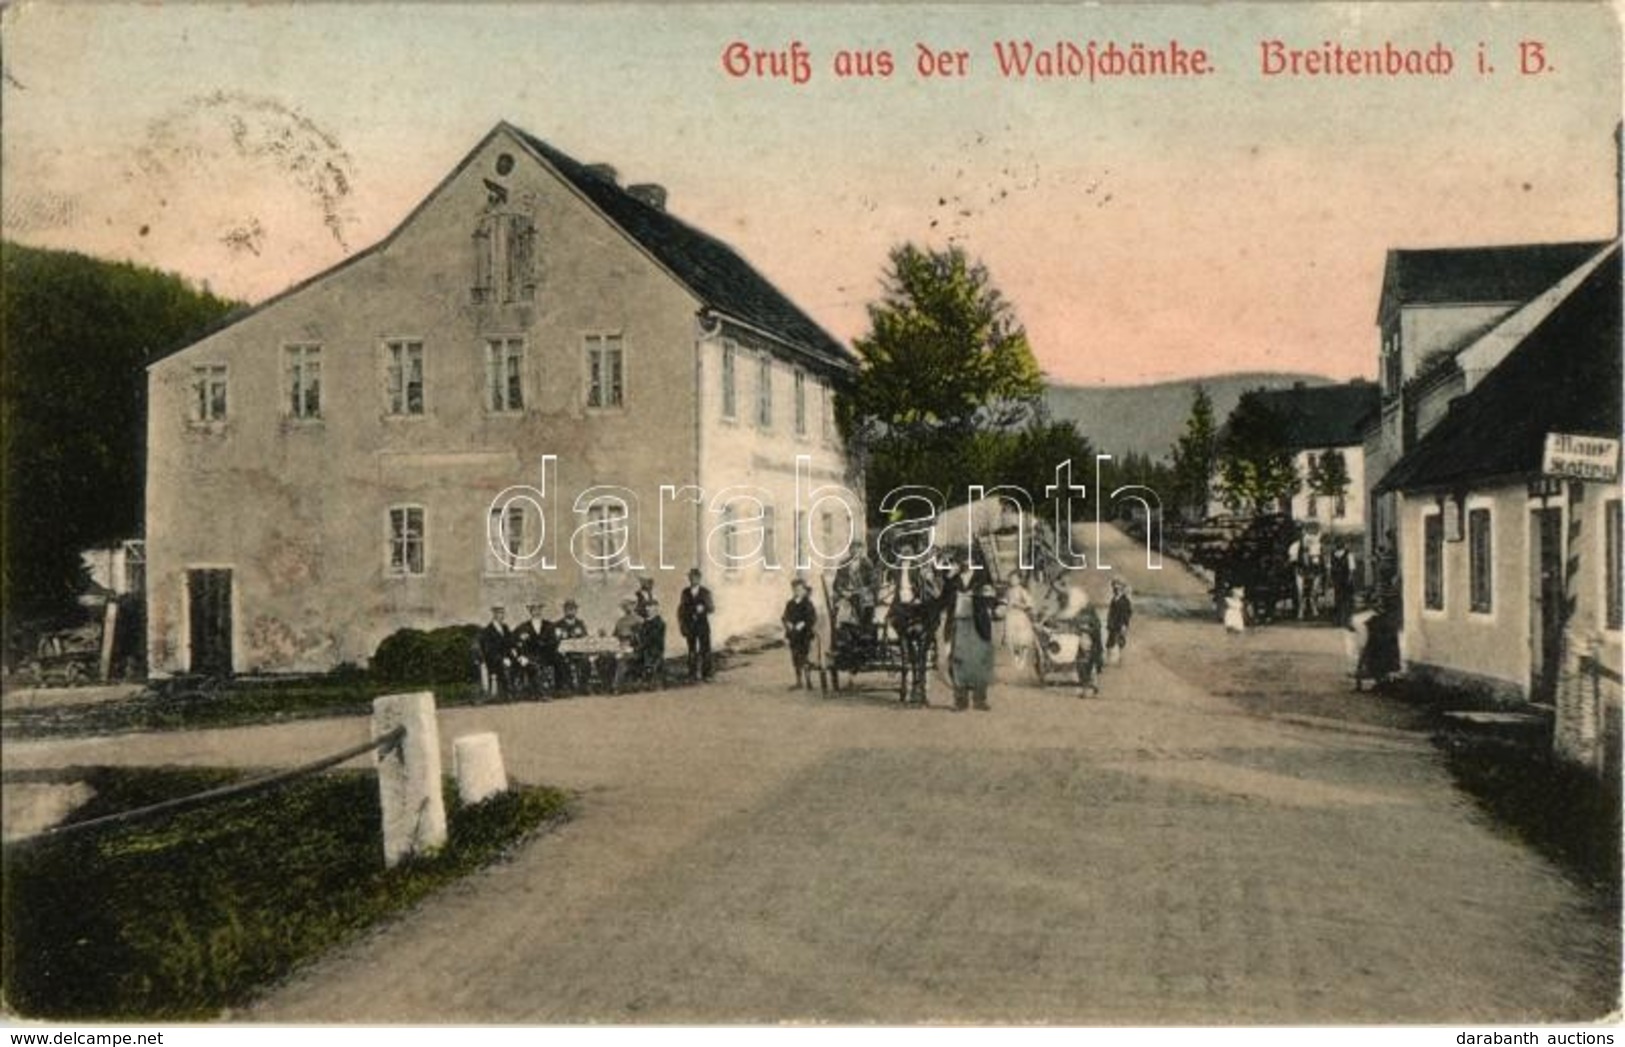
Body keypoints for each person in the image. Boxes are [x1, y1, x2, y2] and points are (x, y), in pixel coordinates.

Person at [942, 552, 999, 711]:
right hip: (959, 623)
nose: (966, 563)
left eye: (969, 559)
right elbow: (944, 599)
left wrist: (977, 597)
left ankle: (980, 700)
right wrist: (948, 578)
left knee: (980, 661)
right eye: (963, 560)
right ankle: (961, 701)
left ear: (974, 561)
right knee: (958, 661)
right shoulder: (953, 579)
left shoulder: (983, 578)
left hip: (978, 624)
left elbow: (991, 599)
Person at [1054, 580, 1104, 697]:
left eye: (1060, 590)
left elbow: (1069, 613)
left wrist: (1056, 618)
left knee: (1088, 661)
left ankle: (1090, 687)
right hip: (1082, 633)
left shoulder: (1075, 596)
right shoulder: (1068, 596)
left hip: (1089, 632)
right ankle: (1085, 686)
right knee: (1081, 662)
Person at [513, 600, 562, 698]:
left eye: (538, 609)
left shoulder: (549, 625)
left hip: (546, 655)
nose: (536, 612)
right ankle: (537, 692)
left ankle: (559, 689)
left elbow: (554, 641)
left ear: (541, 610)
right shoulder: (523, 627)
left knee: (560, 662)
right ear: (530, 611)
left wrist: (550, 648)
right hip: (531, 656)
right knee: (531, 667)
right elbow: (515, 642)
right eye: (534, 609)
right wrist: (520, 656)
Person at [678, 567, 715, 682]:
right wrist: (683, 624)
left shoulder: (705, 592)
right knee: (691, 650)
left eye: (695, 577)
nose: (693, 579)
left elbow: (711, 608)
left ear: (699, 579)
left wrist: (703, 608)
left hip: (702, 626)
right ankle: (692, 674)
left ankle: (707, 674)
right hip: (690, 626)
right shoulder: (685, 592)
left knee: (705, 650)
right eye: (691, 577)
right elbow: (682, 609)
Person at [781, 577, 818, 689]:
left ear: (804, 590)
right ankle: (799, 681)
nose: (797, 591)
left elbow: (812, 617)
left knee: (805, 656)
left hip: (804, 635)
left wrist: (801, 625)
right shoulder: (790, 603)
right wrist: (788, 623)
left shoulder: (808, 603)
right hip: (793, 635)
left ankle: (808, 680)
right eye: (795, 589)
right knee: (795, 657)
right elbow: (785, 616)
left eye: (800, 589)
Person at [477, 606, 515, 700]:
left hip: (507, 657)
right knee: (505, 667)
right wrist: (502, 659)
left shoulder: (505, 628)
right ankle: (508, 694)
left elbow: (510, 643)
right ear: (494, 614)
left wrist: (514, 654)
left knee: (523, 663)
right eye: (499, 613)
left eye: (502, 613)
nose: (501, 615)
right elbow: (489, 650)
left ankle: (523, 691)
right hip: (494, 660)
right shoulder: (488, 630)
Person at [554, 598, 592, 692]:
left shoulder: (580, 624)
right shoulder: (558, 624)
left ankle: (583, 686)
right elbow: (555, 640)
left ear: (576, 610)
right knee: (561, 661)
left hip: (579, 652)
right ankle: (566, 687)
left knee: (586, 661)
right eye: (568, 609)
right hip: (565, 653)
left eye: (573, 609)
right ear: (564, 610)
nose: (570, 611)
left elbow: (585, 638)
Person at [1002, 569, 1037, 669]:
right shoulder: (1008, 591)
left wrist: (1018, 605)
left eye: (1014, 578)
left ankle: (1023, 657)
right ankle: (1016, 657)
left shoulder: (1021, 590)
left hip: (1020, 615)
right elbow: (1005, 600)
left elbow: (1030, 604)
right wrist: (1004, 603)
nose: (1012, 580)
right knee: (1012, 640)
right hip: (1010, 616)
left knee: (1023, 639)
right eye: (1010, 578)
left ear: (1019, 580)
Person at [1105, 578, 1133, 666]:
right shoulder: (1114, 599)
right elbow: (1110, 612)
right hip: (1112, 624)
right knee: (1110, 642)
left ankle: (1120, 660)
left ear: (1122, 588)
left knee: (1120, 642)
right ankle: (1108, 659)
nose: (1116, 587)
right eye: (1114, 586)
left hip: (1120, 624)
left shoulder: (1125, 601)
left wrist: (1124, 624)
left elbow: (1128, 613)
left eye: (1118, 585)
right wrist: (1109, 622)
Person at [1329, 540, 1355, 627]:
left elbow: (1351, 569)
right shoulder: (1332, 554)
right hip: (1336, 579)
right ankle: (1338, 620)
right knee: (1337, 600)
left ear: (1343, 545)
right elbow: (1330, 567)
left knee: (1347, 600)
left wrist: (1350, 579)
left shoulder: (1349, 554)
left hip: (1345, 579)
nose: (1339, 545)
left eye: (1340, 544)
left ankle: (1347, 620)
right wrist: (1330, 579)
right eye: (1337, 543)